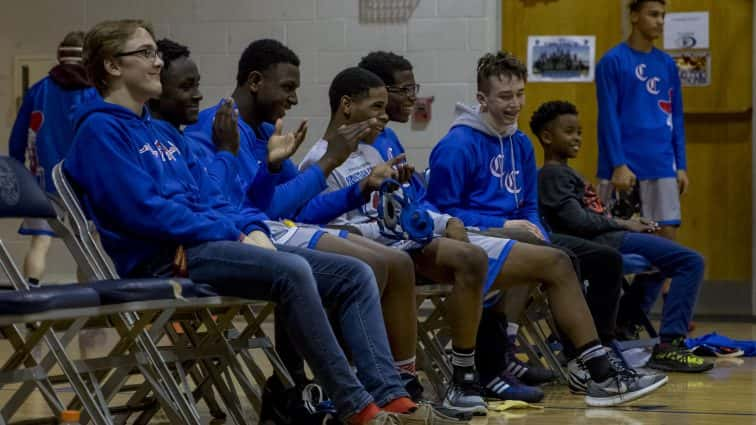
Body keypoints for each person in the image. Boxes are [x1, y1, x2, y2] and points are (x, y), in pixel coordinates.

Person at [65, 21, 444, 425]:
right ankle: (357, 409)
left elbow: (220, 200)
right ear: (112, 66)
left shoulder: (161, 132)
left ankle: (393, 398)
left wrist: (248, 228)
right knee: (294, 270)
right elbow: (144, 211)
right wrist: (233, 230)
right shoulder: (99, 131)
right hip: (165, 257)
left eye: (155, 52)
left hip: (205, 243)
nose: (157, 61)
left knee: (353, 274)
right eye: (144, 53)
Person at [301, 65, 666, 408]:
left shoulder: (373, 150)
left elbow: (413, 208)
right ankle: (465, 377)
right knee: (471, 257)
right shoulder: (318, 162)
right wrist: (440, 223)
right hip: (385, 252)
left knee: (553, 259)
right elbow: (330, 230)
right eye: (377, 108)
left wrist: (442, 223)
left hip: (413, 241)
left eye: (519, 94)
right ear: (347, 106)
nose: (385, 116)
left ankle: (596, 371)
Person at [183, 39, 432, 405]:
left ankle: (370, 383)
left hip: (268, 232)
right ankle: (326, 385)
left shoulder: (266, 133)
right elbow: (259, 211)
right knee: (366, 264)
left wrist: (359, 189)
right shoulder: (214, 131)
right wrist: (328, 162)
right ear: (255, 82)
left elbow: (296, 210)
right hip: (234, 241)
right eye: (288, 88)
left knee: (387, 262)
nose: (295, 99)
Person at [357, 51, 555, 400]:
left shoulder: (389, 138)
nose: (413, 96)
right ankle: (477, 367)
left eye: (519, 94)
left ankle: (501, 353)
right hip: (402, 244)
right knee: (503, 252)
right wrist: (455, 222)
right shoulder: (454, 144)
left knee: (544, 246)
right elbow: (432, 206)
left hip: (421, 233)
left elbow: (413, 203)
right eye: (406, 89)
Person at [532, 100, 711, 373]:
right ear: (546, 136)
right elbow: (576, 222)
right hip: (607, 243)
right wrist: (626, 224)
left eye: (579, 131)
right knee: (690, 261)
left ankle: (624, 323)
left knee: (663, 264)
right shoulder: (552, 174)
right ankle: (670, 344)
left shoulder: (566, 172)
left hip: (612, 238)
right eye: (569, 131)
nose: (577, 137)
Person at [596, 0, 687, 315]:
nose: (660, 21)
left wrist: (681, 164)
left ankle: (633, 315)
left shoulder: (667, 65)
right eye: (653, 14)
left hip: (662, 165)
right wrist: (618, 163)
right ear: (634, 16)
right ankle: (604, 321)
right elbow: (607, 117)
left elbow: (676, 116)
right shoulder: (612, 61)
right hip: (622, 170)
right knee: (608, 248)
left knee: (668, 253)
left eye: (663, 15)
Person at [8, 30, 97, 287]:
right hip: (83, 183)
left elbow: (17, 138)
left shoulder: (38, 90)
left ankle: (30, 295)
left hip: (42, 181)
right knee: (85, 244)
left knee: (40, 242)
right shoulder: (95, 94)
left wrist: (18, 170)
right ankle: (86, 303)